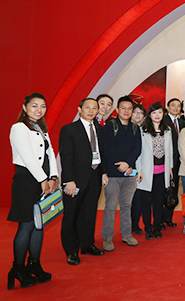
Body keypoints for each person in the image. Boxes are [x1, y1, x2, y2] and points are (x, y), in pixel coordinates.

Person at [7, 93, 59, 289]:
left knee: (39, 225)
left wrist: (53, 177)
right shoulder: (18, 128)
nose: (39, 109)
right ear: (25, 107)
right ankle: (18, 268)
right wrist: (43, 179)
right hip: (27, 182)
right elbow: (28, 157)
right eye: (34, 105)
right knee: (27, 225)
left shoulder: (40, 128)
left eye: (43, 106)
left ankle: (34, 264)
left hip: (44, 180)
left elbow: (50, 154)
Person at [59, 97, 109, 265]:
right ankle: (71, 250)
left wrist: (103, 172)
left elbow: (102, 153)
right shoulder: (69, 129)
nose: (91, 111)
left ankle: (87, 245)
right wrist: (69, 180)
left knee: (89, 213)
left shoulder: (99, 129)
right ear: (79, 109)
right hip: (75, 179)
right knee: (71, 215)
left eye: (94, 108)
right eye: (87, 107)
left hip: (95, 176)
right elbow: (66, 157)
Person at [100, 96, 141, 251]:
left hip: (129, 173)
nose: (126, 111)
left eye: (129, 108)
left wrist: (128, 164)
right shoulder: (110, 126)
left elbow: (137, 149)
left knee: (126, 205)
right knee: (110, 206)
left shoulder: (135, 128)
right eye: (123, 108)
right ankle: (107, 237)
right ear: (117, 109)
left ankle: (126, 234)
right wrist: (119, 164)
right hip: (112, 174)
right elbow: (106, 149)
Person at [136, 102, 173, 240]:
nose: (157, 115)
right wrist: (139, 170)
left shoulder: (167, 130)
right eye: (154, 112)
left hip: (162, 173)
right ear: (149, 115)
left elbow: (170, 150)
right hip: (146, 172)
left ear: (163, 114)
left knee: (158, 202)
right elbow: (138, 152)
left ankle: (157, 226)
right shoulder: (142, 130)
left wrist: (170, 167)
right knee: (146, 202)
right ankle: (148, 228)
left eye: (160, 112)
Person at [163, 98, 184, 228]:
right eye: (173, 105)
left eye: (178, 106)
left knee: (173, 189)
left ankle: (168, 218)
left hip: (178, 163)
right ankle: (160, 219)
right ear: (168, 107)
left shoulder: (182, 122)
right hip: (166, 162)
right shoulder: (163, 121)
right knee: (163, 190)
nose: (176, 108)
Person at [130, 103, 147, 234]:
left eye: (141, 113)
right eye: (135, 112)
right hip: (129, 169)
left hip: (142, 169)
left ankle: (135, 224)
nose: (138, 115)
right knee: (129, 199)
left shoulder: (145, 130)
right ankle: (129, 224)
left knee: (139, 198)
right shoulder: (126, 129)